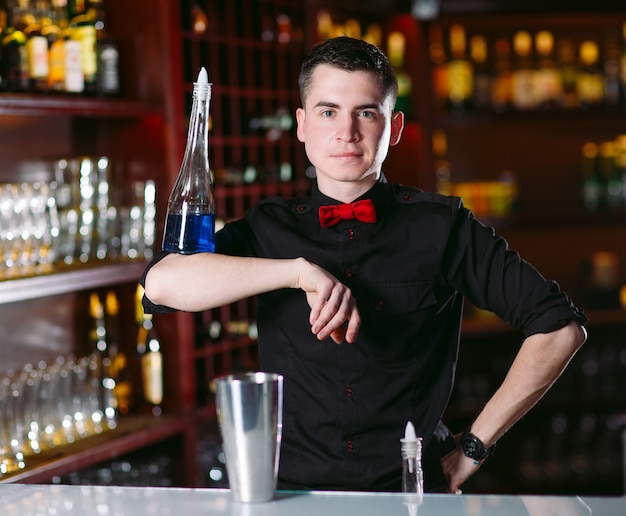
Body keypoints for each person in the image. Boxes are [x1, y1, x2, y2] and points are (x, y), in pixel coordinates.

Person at [142, 36, 587, 494]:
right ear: (302, 124)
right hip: (290, 496)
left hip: (414, 493)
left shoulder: (443, 226)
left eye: (366, 113)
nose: (347, 132)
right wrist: (297, 272)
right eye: (328, 111)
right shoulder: (268, 228)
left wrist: (474, 446)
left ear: (393, 127)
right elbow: (162, 284)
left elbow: (559, 329)